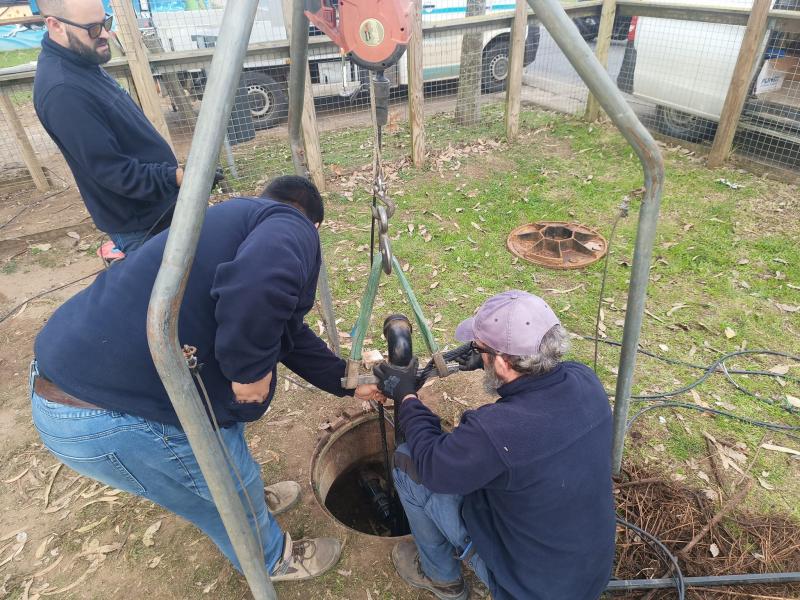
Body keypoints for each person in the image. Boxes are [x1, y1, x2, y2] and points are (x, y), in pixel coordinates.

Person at [30, 176, 380, 581]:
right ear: (313, 223)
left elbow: (288, 331)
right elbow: (261, 284)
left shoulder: (228, 223)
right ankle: (271, 559)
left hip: (75, 379)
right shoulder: (290, 223)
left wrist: (345, 379)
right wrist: (249, 369)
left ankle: (252, 505)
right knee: (221, 491)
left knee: (231, 465)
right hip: (110, 413)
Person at [373, 290, 616, 600]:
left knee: (409, 463)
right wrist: (484, 361)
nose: (479, 354)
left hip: (530, 591)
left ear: (503, 362)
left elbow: (433, 466)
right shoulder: (586, 381)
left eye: (483, 351)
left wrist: (405, 395)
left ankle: (442, 579)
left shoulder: (495, 432)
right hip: (587, 575)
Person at [33, 0, 182, 252]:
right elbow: (114, 172)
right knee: (168, 288)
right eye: (93, 29)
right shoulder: (63, 91)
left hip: (157, 205)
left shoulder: (82, 62)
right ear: (55, 25)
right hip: (142, 225)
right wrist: (176, 178)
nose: (106, 34)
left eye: (106, 23)